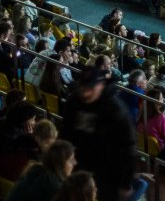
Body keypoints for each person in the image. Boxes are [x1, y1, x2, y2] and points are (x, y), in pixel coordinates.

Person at [61, 68, 148, 201]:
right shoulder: (74, 102)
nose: (85, 92)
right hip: (78, 166)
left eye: (90, 88)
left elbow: (129, 146)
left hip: (107, 172)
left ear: (101, 86)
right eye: (83, 87)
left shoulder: (115, 110)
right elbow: (65, 132)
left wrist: (125, 182)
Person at [6, 140, 77, 201]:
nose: (75, 163)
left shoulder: (37, 171)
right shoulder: (53, 185)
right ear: (60, 163)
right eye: (71, 160)